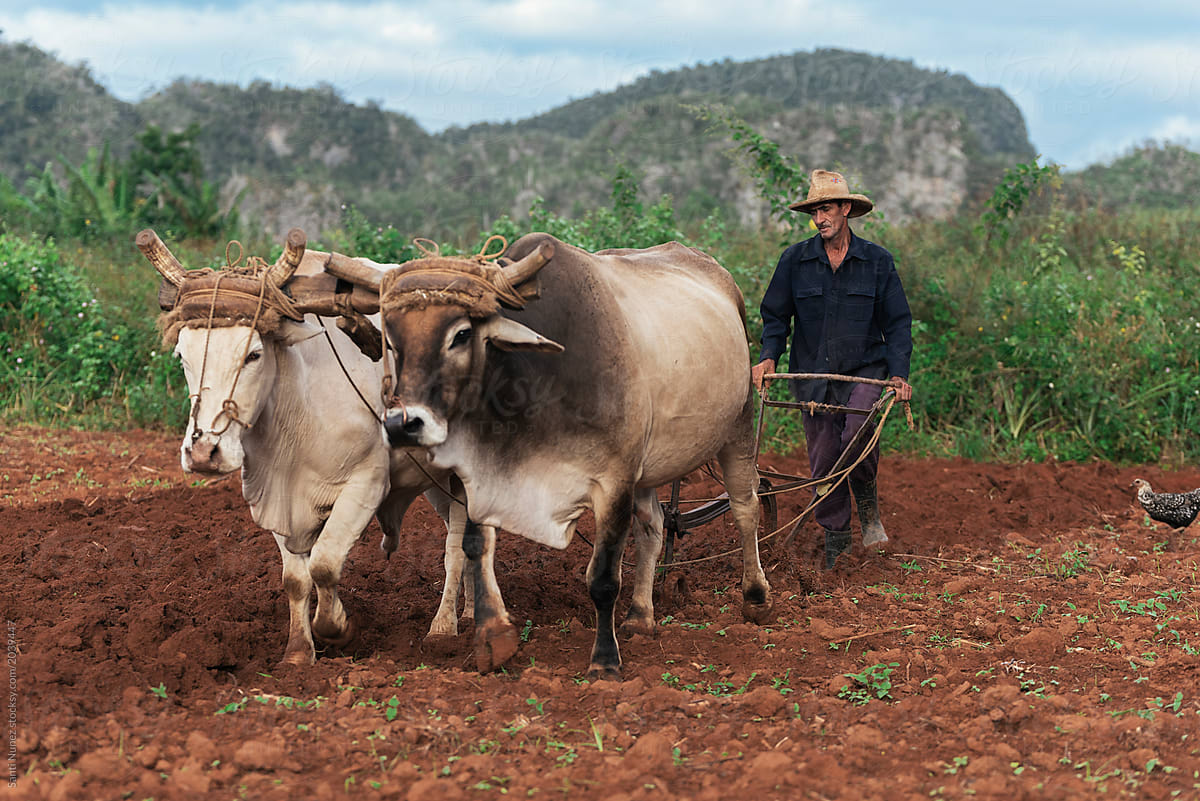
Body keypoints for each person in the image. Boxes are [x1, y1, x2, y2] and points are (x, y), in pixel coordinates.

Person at [750, 169, 913, 569]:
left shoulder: (876, 262)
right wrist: (769, 355)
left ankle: (869, 511)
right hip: (812, 379)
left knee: (857, 434)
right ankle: (837, 548)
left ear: (845, 209)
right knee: (823, 463)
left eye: (826, 209)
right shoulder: (795, 261)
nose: (819, 218)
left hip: (864, 371)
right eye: (815, 211)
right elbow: (775, 316)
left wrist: (899, 373)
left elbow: (897, 323)